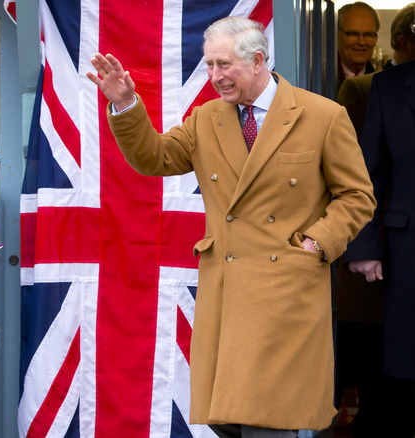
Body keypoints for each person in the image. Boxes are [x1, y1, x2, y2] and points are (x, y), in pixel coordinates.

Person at [86, 16, 375, 438]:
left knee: (269, 423)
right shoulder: (206, 119)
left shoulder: (322, 115)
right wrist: (126, 105)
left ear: (258, 61)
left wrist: (317, 242)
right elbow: (155, 158)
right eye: (208, 66)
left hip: (286, 293)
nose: (214, 77)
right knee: (229, 423)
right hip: (227, 294)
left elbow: (357, 196)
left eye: (224, 65)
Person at [332, 5, 415, 436]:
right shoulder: (377, 89)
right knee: (394, 384)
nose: (362, 42)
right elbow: (364, 176)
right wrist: (364, 248)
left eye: (370, 34)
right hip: (397, 258)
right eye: (353, 33)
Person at [336, 2, 380, 90]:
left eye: (368, 35)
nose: (362, 42)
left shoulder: (382, 84)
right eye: (353, 34)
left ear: (376, 39)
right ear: (337, 36)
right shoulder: (317, 80)